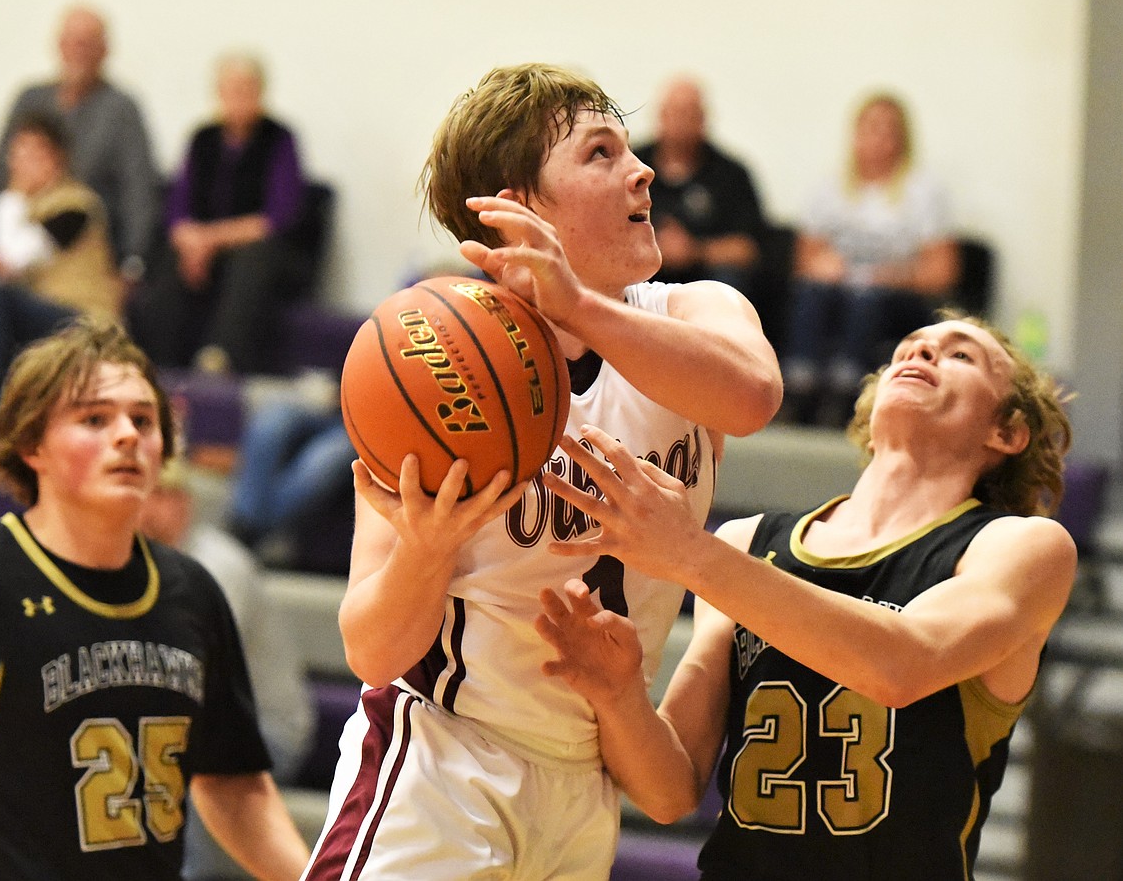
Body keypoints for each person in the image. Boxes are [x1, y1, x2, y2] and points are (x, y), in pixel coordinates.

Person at [300, 62, 782, 880]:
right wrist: (423, 552)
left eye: (631, 148)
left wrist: (581, 306)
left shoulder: (698, 310)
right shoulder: (430, 367)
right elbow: (371, 650)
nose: (644, 170)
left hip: (587, 781)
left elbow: (753, 395)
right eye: (600, 154)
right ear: (519, 212)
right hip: (447, 763)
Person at [535, 311, 1076, 880]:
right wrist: (617, 694)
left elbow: (900, 664)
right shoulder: (745, 543)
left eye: (961, 354)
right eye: (910, 347)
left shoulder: (1020, 547)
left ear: (1008, 432)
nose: (921, 354)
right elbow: (669, 794)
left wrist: (691, 553)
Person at [0, 319, 310, 879]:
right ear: (31, 445)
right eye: (95, 418)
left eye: (143, 420)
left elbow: (234, 784)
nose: (127, 436)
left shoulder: (192, 591)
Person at [138, 453, 315, 878]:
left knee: (175, 759)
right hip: (195, 722)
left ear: (186, 502)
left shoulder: (218, 565)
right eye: (146, 495)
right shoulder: (136, 562)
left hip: (266, 730)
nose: (151, 508)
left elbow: (189, 676)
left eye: (164, 495)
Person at [780, 91, 961, 428]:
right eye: (870, 128)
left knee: (866, 299)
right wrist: (824, 267)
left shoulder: (924, 191)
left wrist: (892, 276)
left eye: (887, 130)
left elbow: (942, 272)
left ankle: (850, 393)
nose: (878, 139)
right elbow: (804, 262)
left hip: (896, 296)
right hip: (836, 291)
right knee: (811, 293)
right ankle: (799, 387)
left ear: (902, 139)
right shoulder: (829, 187)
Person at [128, 51, 310, 374]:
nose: (239, 97)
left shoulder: (280, 139)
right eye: (232, 88)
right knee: (169, 259)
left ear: (261, 93)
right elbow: (177, 208)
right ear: (219, 93)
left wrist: (209, 240)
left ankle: (220, 358)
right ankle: (157, 360)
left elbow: (278, 217)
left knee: (253, 260)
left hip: (255, 249)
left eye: (247, 89)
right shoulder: (202, 138)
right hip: (202, 246)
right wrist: (191, 242)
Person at [0, 112, 122, 438]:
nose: (20, 164)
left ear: (57, 159)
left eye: (34, 154)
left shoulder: (76, 204)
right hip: (36, 329)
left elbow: (7, 263)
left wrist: (12, 197)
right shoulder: (24, 206)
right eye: (17, 154)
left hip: (84, 324)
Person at [0, 3, 158, 285]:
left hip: (91, 250)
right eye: (73, 42)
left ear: (105, 50)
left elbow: (138, 190)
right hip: (23, 246)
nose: (79, 51)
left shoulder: (121, 108)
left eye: (89, 43)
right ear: (58, 45)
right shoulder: (30, 99)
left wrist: (133, 261)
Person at [632, 75, 767, 294]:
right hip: (643, 273)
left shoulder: (731, 173)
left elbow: (748, 249)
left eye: (689, 114)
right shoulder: (633, 165)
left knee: (728, 280)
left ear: (703, 119)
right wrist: (655, 248)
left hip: (708, 280)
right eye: (674, 113)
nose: (680, 122)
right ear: (659, 116)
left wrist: (693, 251)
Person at [224, 399, 356, 568]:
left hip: (355, 422)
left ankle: (245, 533)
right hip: (323, 405)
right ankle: (244, 527)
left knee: (325, 461)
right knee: (271, 421)